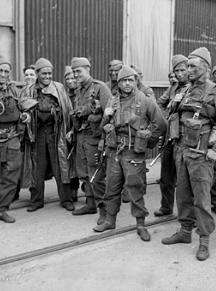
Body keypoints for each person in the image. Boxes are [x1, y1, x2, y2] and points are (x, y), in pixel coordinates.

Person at [161, 47, 216, 261]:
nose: (189, 69)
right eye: (188, 66)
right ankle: (185, 232)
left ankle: (204, 241)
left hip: (202, 155)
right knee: (183, 195)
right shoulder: (185, 89)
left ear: (206, 67)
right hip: (183, 152)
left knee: (202, 200)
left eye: (193, 66)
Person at [93, 66, 167, 241]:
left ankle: (141, 224)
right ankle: (110, 220)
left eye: (130, 80)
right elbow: (102, 128)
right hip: (114, 152)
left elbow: (161, 124)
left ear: (136, 82)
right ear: (118, 83)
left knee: (135, 189)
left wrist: (148, 138)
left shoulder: (145, 100)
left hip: (134, 152)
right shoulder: (113, 101)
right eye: (123, 80)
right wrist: (106, 115)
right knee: (112, 187)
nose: (127, 83)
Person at [21, 58, 74, 212]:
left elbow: (68, 109)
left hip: (56, 134)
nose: (47, 76)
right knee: (37, 168)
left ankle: (66, 199)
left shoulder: (59, 88)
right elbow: (22, 108)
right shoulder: (29, 90)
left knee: (60, 167)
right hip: (37, 135)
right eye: (44, 73)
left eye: (50, 73)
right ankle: (36, 200)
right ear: (37, 73)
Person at [0, 55, 30, 222]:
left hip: (12, 137)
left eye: (6, 71)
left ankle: (1, 209)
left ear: (10, 73)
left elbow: (24, 107)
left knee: (10, 177)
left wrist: (25, 116)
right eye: (0, 70)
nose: (3, 74)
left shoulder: (16, 90)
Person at [70, 57, 111, 226]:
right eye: (74, 72)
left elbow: (109, 114)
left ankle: (105, 211)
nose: (75, 74)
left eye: (78, 71)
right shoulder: (79, 90)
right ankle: (90, 204)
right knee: (84, 172)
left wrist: (103, 139)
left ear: (88, 69)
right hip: (81, 136)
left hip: (95, 137)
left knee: (96, 175)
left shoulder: (100, 88)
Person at [154, 54, 189, 217]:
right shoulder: (173, 87)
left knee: (184, 180)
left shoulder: (193, 87)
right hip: (170, 137)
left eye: (183, 69)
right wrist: (166, 115)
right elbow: (159, 104)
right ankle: (166, 206)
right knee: (166, 175)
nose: (180, 73)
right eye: (177, 71)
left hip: (185, 138)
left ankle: (188, 215)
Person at [64, 66, 79, 202]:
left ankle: (90, 195)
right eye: (67, 78)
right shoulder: (63, 95)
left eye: (72, 78)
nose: (70, 81)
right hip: (67, 134)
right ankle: (73, 191)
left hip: (80, 132)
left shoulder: (82, 94)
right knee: (70, 163)